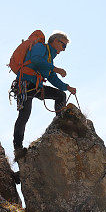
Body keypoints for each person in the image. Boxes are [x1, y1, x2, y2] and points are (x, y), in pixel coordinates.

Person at [12, 31, 77, 160]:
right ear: (55, 41)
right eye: (63, 45)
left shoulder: (49, 57)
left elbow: (52, 77)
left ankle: (61, 124)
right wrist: (56, 69)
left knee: (60, 95)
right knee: (24, 115)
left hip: (35, 86)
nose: (63, 49)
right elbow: (36, 60)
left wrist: (67, 87)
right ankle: (18, 149)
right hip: (24, 84)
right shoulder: (41, 47)